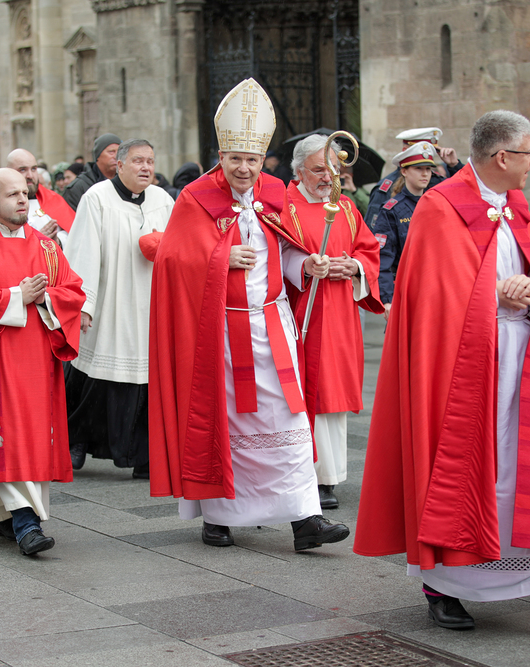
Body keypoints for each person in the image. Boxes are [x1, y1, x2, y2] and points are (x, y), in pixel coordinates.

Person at [354, 110, 530, 633]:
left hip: (523, 354)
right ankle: (445, 587)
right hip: (463, 369)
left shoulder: (515, 206)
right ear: (501, 156)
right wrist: (495, 294)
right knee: (473, 467)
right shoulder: (441, 207)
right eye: (528, 152)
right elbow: (431, 294)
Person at [148, 77, 348, 552]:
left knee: (290, 421)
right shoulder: (195, 197)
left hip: (273, 323)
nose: (244, 168)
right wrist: (220, 260)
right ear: (221, 156)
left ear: (263, 161)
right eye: (235, 158)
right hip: (221, 330)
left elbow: (286, 250)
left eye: (252, 160)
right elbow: (172, 261)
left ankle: (305, 518)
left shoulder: (275, 192)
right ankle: (219, 517)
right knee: (230, 422)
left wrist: (306, 265)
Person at [0, 168, 85, 555]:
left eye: (25, 193)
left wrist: (45, 298)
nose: (23, 199)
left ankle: (6, 517)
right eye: (12, 194)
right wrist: (14, 297)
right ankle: (26, 522)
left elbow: (73, 290)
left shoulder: (46, 246)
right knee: (2, 435)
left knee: (32, 435)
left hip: (37, 360)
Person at [63, 139, 174, 478]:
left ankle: (145, 455)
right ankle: (75, 440)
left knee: (148, 381)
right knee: (96, 377)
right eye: (138, 161)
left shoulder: (163, 199)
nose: (146, 167)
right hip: (110, 302)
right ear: (120, 165)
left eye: (150, 161)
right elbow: (82, 251)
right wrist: (83, 304)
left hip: (150, 303)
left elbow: (180, 247)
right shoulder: (97, 198)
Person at [284, 134, 383, 510]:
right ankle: (306, 472)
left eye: (334, 169)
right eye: (319, 170)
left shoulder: (345, 207)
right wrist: (305, 266)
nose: (328, 177)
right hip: (302, 311)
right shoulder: (284, 208)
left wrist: (354, 267)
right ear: (299, 172)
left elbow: (368, 249)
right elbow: (277, 254)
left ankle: (329, 476)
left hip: (341, 313)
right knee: (308, 390)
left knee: (334, 393)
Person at [373, 141, 444, 320]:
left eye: (428, 169)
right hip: (407, 290)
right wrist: (387, 299)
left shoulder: (438, 204)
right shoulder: (391, 210)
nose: (425, 174)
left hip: (437, 289)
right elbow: (383, 258)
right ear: (404, 171)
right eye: (418, 169)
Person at [365, 128, 463, 226]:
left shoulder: (437, 182)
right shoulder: (386, 188)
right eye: (418, 149)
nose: (427, 154)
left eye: (434, 150)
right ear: (405, 151)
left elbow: (466, 194)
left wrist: (454, 166)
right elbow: (374, 228)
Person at [6, 149, 75, 246]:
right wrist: (35, 240)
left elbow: (74, 233)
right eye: (23, 170)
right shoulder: (2, 205)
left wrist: (58, 241)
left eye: (34, 169)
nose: (30, 175)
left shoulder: (53, 199)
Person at [62, 133, 121, 210]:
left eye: (119, 152)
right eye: (111, 152)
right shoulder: (79, 187)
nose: (116, 156)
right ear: (98, 156)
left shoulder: (126, 184)